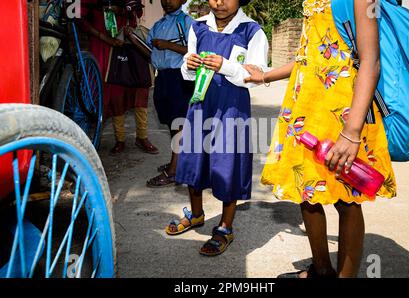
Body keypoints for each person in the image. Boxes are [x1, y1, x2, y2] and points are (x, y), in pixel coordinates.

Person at [245, 0, 397, 277]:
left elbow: (370, 60)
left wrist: (351, 132)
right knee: (307, 191)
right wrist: (265, 76)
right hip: (307, 111)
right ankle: (322, 269)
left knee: (347, 198)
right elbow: (309, 56)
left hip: (344, 112)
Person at [165, 0, 269, 256]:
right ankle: (197, 214)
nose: (219, 2)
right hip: (200, 105)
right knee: (193, 160)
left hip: (232, 109)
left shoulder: (251, 31)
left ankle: (225, 227)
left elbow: (257, 77)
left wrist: (225, 66)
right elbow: (187, 70)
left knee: (227, 164)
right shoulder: (198, 28)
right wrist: (188, 67)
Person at [79, 0, 159, 155]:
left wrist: (124, 9)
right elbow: (80, 20)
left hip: (128, 42)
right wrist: (104, 35)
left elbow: (138, 11)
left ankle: (142, 137)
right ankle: (119, 139)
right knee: (114, 93)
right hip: (103, 45)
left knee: (140, 88)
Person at [145, 0, 195, 187]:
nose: (167, 1)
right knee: (170, 121)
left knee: (179, 122)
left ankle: (174, 170)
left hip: (180, 77)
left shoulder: (188, 23)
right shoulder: (158, 25)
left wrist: (168, 45)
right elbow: (150, 52)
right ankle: (177, 160)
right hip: (163, 77)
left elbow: (196, 51)